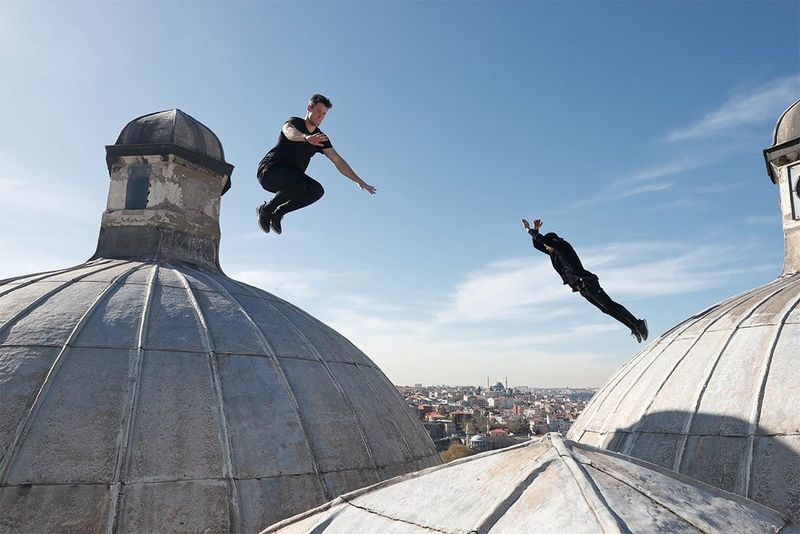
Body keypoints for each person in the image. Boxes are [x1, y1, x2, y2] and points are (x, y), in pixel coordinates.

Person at [256, 94, 376, 234]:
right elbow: (289, 132)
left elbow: (337, 160)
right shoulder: (295, 122)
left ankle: (278, 213)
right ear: (309, 108)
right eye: (318, 111)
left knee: (316, 190)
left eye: (324, 114)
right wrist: (306, 138)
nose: (320, 117)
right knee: (299, 184)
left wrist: (358, 180)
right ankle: (265, 210)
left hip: (292, 180)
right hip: (270, 171)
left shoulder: (321, 138)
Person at [522, 218, 649, 342]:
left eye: (547, 245)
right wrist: (536, 231)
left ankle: (639, 324)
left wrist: (529, 230)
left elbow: (542, 240)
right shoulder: (554, 253)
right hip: (580, 286)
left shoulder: (562, 246)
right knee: (605, 309)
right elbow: (537, 244)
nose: (546, 248)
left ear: (552, 242)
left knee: (609, 305)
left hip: (587, 282)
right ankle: (633, 328)